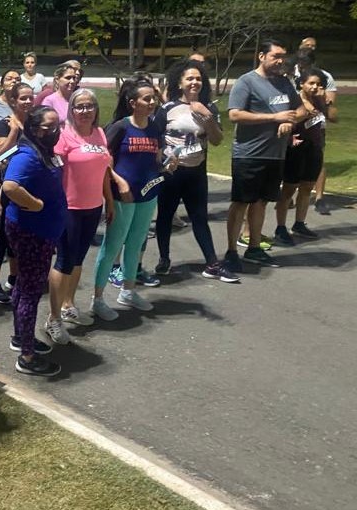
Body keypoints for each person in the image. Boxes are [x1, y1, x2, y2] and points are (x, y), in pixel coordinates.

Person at [91, 78, 175, 320]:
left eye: (153, 98)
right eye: (146, 98)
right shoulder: (119, 127)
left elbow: (156, 162)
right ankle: (97, 299)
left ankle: (128, 291)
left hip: (148, 195)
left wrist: (168, 166)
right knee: (112, 246)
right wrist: (118, 181)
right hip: (122, 197)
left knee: (136, 243)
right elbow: (102, 161)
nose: (152, 102)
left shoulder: (154, 128)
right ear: (132, 103)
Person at [153, 59, 238, 283]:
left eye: (198, 78)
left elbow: (218, 140)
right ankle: (164, 259)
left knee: (199, 217)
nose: (194, 82)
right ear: (179, 83)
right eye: (189, 78)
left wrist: (207, 118)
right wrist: (163, 162)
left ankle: (212, 263)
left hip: (196, 172)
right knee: (165, 217)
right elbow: (155, 140)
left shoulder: (209, 107)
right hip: (172, 173)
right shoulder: (167, 109)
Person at [224, 39, 303, 271]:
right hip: (249, 154)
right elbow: (235, 115)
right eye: (275, 56)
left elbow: (300, 109)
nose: (280, 61)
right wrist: (274, 118)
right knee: (241, 202)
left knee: (262, 202)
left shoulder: (285, 83)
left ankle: (254, 248)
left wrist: (291, 121)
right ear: (262, 56)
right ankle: (231, 252)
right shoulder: (246, 82)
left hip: (275, 154)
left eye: (283, 56)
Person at [2, 106, 67, 375]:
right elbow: (10, 186)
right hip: (32, 233)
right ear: (35, 129)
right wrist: (37, 204)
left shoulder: (44, 151)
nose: (56, 131)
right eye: (50, 126)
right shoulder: (27, 155)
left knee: (24, 287)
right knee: (30, 292)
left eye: (58, 125)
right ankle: (27, 357)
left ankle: (21, 337)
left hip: (42, 232)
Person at [50, 88, 114, 332]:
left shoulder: (99, 133)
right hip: (69, 208)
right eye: (80, 106)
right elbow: (54, 173)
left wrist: (109, 200)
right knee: (64, 261)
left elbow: (104, 171)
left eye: (90, 106)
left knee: (78, 259)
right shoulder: (64, 136)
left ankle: (68, 305)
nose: (85, 111)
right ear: (71, 110)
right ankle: (53, 318)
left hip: (93, 207)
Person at [0, 82, 36, 306]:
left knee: (19, 235)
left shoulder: (35, 125)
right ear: (13, 100)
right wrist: (15, 131)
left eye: (30, 97)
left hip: (27, 188)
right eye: (22, 98)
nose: (27, 102)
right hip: (5, 186)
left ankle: (14, 278)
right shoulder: (3, 125)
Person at [273, 70, 336, 245]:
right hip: (296, 149)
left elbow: (334, 117)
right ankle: (280, 227)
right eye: (311, 83)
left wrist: (324, 102)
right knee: (288, 189)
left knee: (307, 187)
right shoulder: (295, 100)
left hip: (314, 148)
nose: (315, 87)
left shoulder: (320, 101)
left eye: (318, 84)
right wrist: (291, 135)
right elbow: (289, 121)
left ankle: (299, 223)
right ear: (302, 84)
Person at [293, 42, 337, 216]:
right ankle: (288, 194)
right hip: (296, 124)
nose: (303, 67)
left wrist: (321, 100)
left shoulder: (324, 77)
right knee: (291, 160)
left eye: (306, 64)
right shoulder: (291, 73)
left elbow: (331, 108)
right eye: (301, 64)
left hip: (316, 125)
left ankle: (319, 197)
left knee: (318, 160)